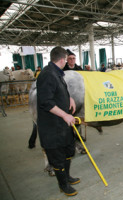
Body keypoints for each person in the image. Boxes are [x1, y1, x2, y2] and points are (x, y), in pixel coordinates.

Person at [36, 46, 79, 196]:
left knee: (68, 150)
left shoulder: (57, 73)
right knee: (58, 158)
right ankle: (63, 185)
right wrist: (65, 115)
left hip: (62, 125)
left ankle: (67, 177)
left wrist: (70, 98)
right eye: (66, 59)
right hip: (52, 126)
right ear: (62, 59)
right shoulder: (47, 75)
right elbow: (46, 102)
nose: (67, 61)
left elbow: (59, 91)